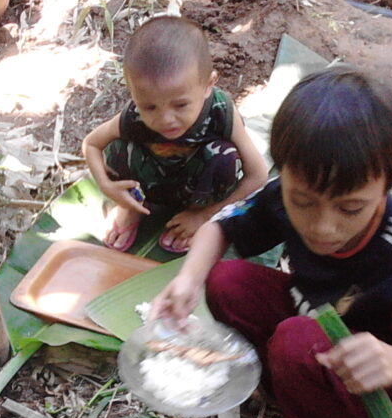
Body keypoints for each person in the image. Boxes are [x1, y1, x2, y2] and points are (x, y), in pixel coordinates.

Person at [151, 67, 392, 418]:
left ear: (388, 185)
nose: (322, 227)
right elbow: (220, 226)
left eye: (350, 209)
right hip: (317, 329)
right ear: (283, 173)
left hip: (391, 383)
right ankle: (285, 385)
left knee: (295, 341)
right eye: (302, 202)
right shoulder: (283, 195)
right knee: (227, 281)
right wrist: (187, 280)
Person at [82, 15, 267, 253]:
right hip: (150, 183)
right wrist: (107, 187)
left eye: (180, 105)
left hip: (198, 189)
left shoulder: (221, 111)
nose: (165, 119)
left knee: (225, 156)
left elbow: (257, 176)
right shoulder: (134, 116)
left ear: (208, 85)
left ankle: (197, 212)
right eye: (150, 107)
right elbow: (91, 144)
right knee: (117, 146)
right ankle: (132, 207)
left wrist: (205, 215)